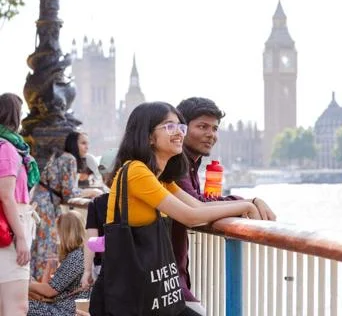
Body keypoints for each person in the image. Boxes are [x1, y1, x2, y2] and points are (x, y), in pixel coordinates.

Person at [90, 102, 262, 316]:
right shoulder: (136, 171)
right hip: (134, 294)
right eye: (169, 127)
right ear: (148, 136)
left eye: (181, 127)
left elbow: (198, 206)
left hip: (154, 292)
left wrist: (249, 202)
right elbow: (190, 217)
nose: (179, 133)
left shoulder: (161, 179)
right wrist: (246, 205)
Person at [174, 97, 276, 314]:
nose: (211, 134)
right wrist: (245, 204)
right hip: (164, 277)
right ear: (181, 128)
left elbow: (195, 200)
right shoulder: (175, 162)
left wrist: (244, 202)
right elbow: (197, 207)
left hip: (173, 276)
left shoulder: (190, 163)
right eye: (202, 126)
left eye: (215, 128)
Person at [30, 131, 102, 281]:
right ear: (73, 144)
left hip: (41, 201)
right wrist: (92, 191)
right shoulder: (70, 159)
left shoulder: (61, 156)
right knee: (46, 246)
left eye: (87, 143)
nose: (86, 147)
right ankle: (42, 287)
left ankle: (35, 284)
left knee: (37, 246)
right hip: (46, 205)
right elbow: (69, 193)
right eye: (83, 143)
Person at [0, 93, 40, 316]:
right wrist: (22, 238)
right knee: (16, 306)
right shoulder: (6, 148)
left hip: (9, 226)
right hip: (11, 231)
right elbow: (7, 196)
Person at [28, 210, 90, 315]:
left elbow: (49, 291)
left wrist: (25, 283)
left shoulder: (77, 256)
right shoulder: (77, 254)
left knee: (20, 304)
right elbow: (47, 290)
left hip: (66, 310)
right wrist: (49, 267)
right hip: (61, 306)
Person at [81, 148, 117, 289]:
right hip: (130, 264)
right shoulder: (134, 202)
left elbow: (92, 241)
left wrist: (87, 271)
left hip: (102, 266)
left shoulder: (96, 203)